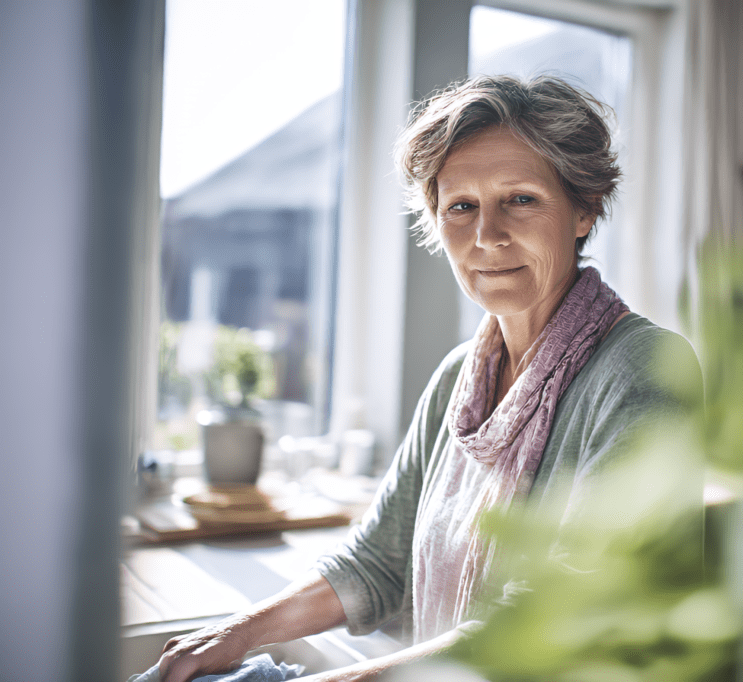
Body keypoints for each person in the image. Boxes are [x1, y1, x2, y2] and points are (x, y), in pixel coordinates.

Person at [156, 75, 702, 682]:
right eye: (461, 207)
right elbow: (378, 563)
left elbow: (563, 621)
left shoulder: (646, 370)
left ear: (584, 209)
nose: (487, 236)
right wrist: (229, 638)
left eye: (520, 199)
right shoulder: (457, 379)